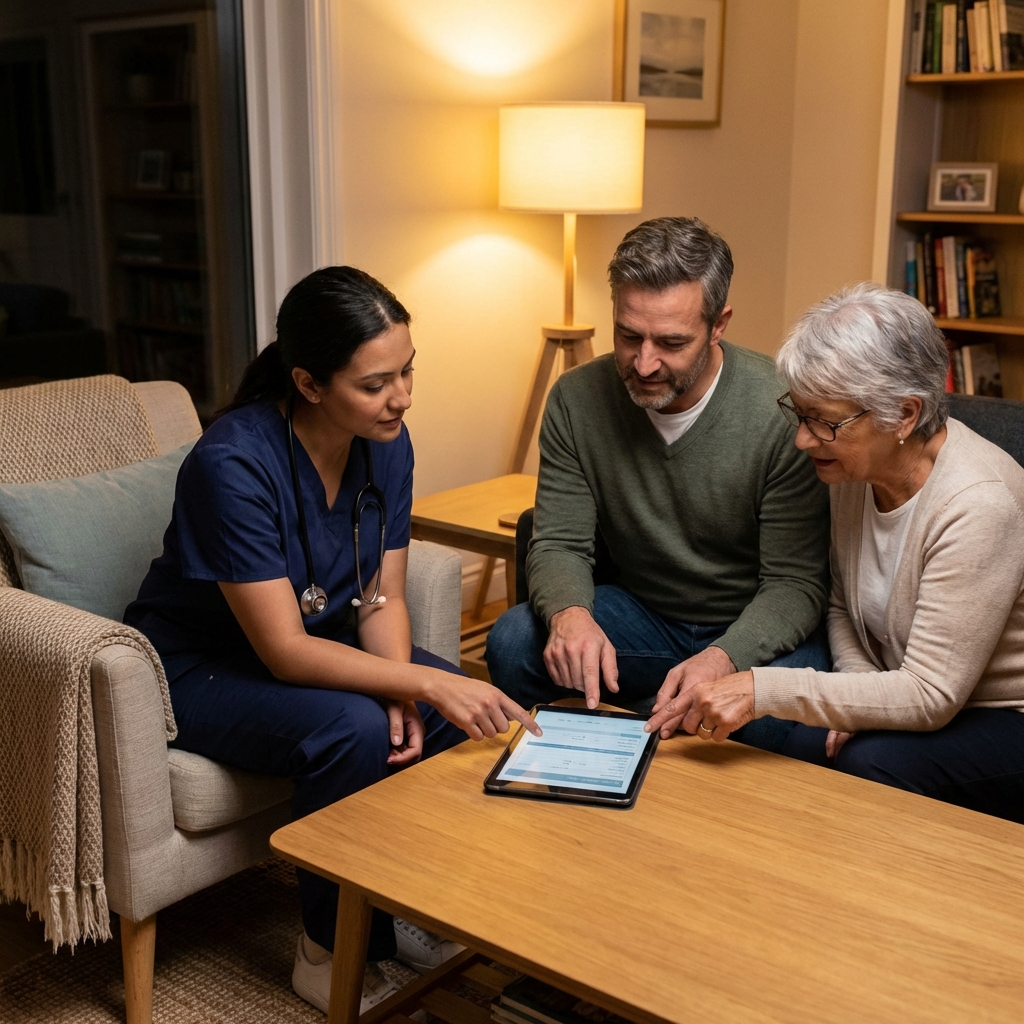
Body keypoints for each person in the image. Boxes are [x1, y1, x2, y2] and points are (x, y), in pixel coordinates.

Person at [125, 267, 537, 1014]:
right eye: (376, 384)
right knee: (353, 729)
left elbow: (381, 596)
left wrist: (410, 685)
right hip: (197, 667)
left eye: (408, 371)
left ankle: (408, 901)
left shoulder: (387, 444)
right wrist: (409, 683)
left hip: (310, 643)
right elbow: (283, 650)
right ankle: (327, 948)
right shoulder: (232, 465)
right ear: (310, 383)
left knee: (462, 709)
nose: (402, 397)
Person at [645, 282, 1024, 825]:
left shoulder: (979, 504)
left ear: (905, 415)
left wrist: (760, 688)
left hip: (1002, 716)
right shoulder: (853, 468)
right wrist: (865, 693)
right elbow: (842, 604)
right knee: (792, 744)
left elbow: (931, 694)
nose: (803, 440)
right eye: (799, 415)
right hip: (901, 682)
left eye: (823, 421)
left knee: (867, 761)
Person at [485, 216, 832, 751]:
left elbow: (795, 584)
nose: (644, 363)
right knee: (513, 643)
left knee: (776, 722)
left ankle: (656, 731)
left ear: (719, 324)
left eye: (671, 342)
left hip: (750, 626)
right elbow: (558, 540)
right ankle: (644, 737)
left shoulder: (783, 410)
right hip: (642, 618)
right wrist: (570, 616)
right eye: (629, 336)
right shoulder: (576, 400)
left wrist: (724, 659)